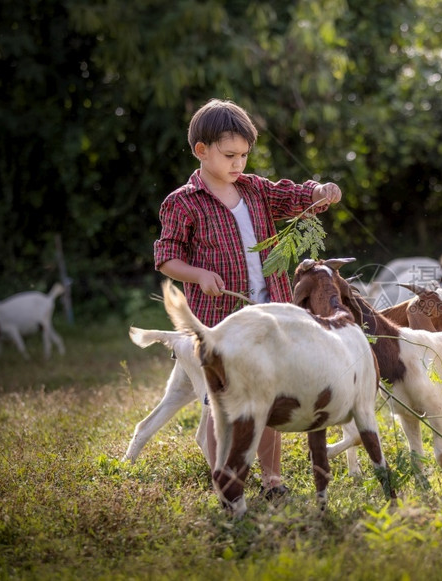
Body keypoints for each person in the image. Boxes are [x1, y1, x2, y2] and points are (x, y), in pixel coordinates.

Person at [153, 98, 342, 498]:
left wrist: (319, 192)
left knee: (268, 396)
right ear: (201, 151)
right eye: (229, 155)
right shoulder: (183, 202)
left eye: (244, 155)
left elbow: (293, 197)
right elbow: (167, 257)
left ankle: (272, 480)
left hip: (266, 313)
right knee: (224, 406)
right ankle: (228, 478)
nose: (238, 164)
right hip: (220, 322)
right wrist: (198, 273)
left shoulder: (254, 189)